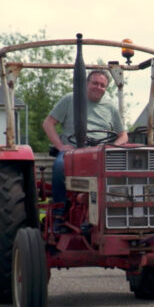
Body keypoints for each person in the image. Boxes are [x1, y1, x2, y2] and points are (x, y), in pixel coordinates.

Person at [42, 70, 128, 219]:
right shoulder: (71, 99)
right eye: (95, 83)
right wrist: (60, 147)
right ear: (86, 83)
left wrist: (112, 147)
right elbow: (48, 123)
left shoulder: (110, 107)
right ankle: (59, 212)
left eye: (102, 85)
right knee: (59, 166)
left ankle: (121, 208)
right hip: (74, 151)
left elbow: (123, 135)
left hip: (101, 152)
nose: (98, 87)